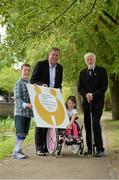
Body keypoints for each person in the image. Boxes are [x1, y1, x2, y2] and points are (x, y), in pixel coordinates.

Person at [31, 47, 63, 156]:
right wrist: (41, 85)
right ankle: (39, 147)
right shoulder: (40, 65)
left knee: (49, 122)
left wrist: (59, 92)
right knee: (40, 122)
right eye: (53, 54)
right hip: (41, 96)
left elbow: (59, 84)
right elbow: (33, 80)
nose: (54, 57)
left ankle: (45, 146)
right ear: (49, 55)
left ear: (58, 57)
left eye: (57, 55)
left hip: (53, 98)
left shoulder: (60, 68)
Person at [78, 52, 108, 157]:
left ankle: (99, 148)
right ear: (85, 61)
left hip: (98, 102)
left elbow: (104, 87)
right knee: (88, 125)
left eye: (91, 59)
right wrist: (86, 94)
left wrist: (93, 95)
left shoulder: (102, 71)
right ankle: (90, 148)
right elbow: (79, 88)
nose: (90, 61)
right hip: (86, 103)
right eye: (88, 60)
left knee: (95, 124)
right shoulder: (82, 73)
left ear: (94, 60)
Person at [13, 63, 33, 159]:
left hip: (28, 113)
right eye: (25, 70)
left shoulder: (30, 84)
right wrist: (25, 104)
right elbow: (17, 98)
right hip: (20, 112)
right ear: (21, 71)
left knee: (24, 134)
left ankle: (18, 150)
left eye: (28, 70)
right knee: (20, 133)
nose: (27, 72)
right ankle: (16, 152)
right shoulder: (18, 83)